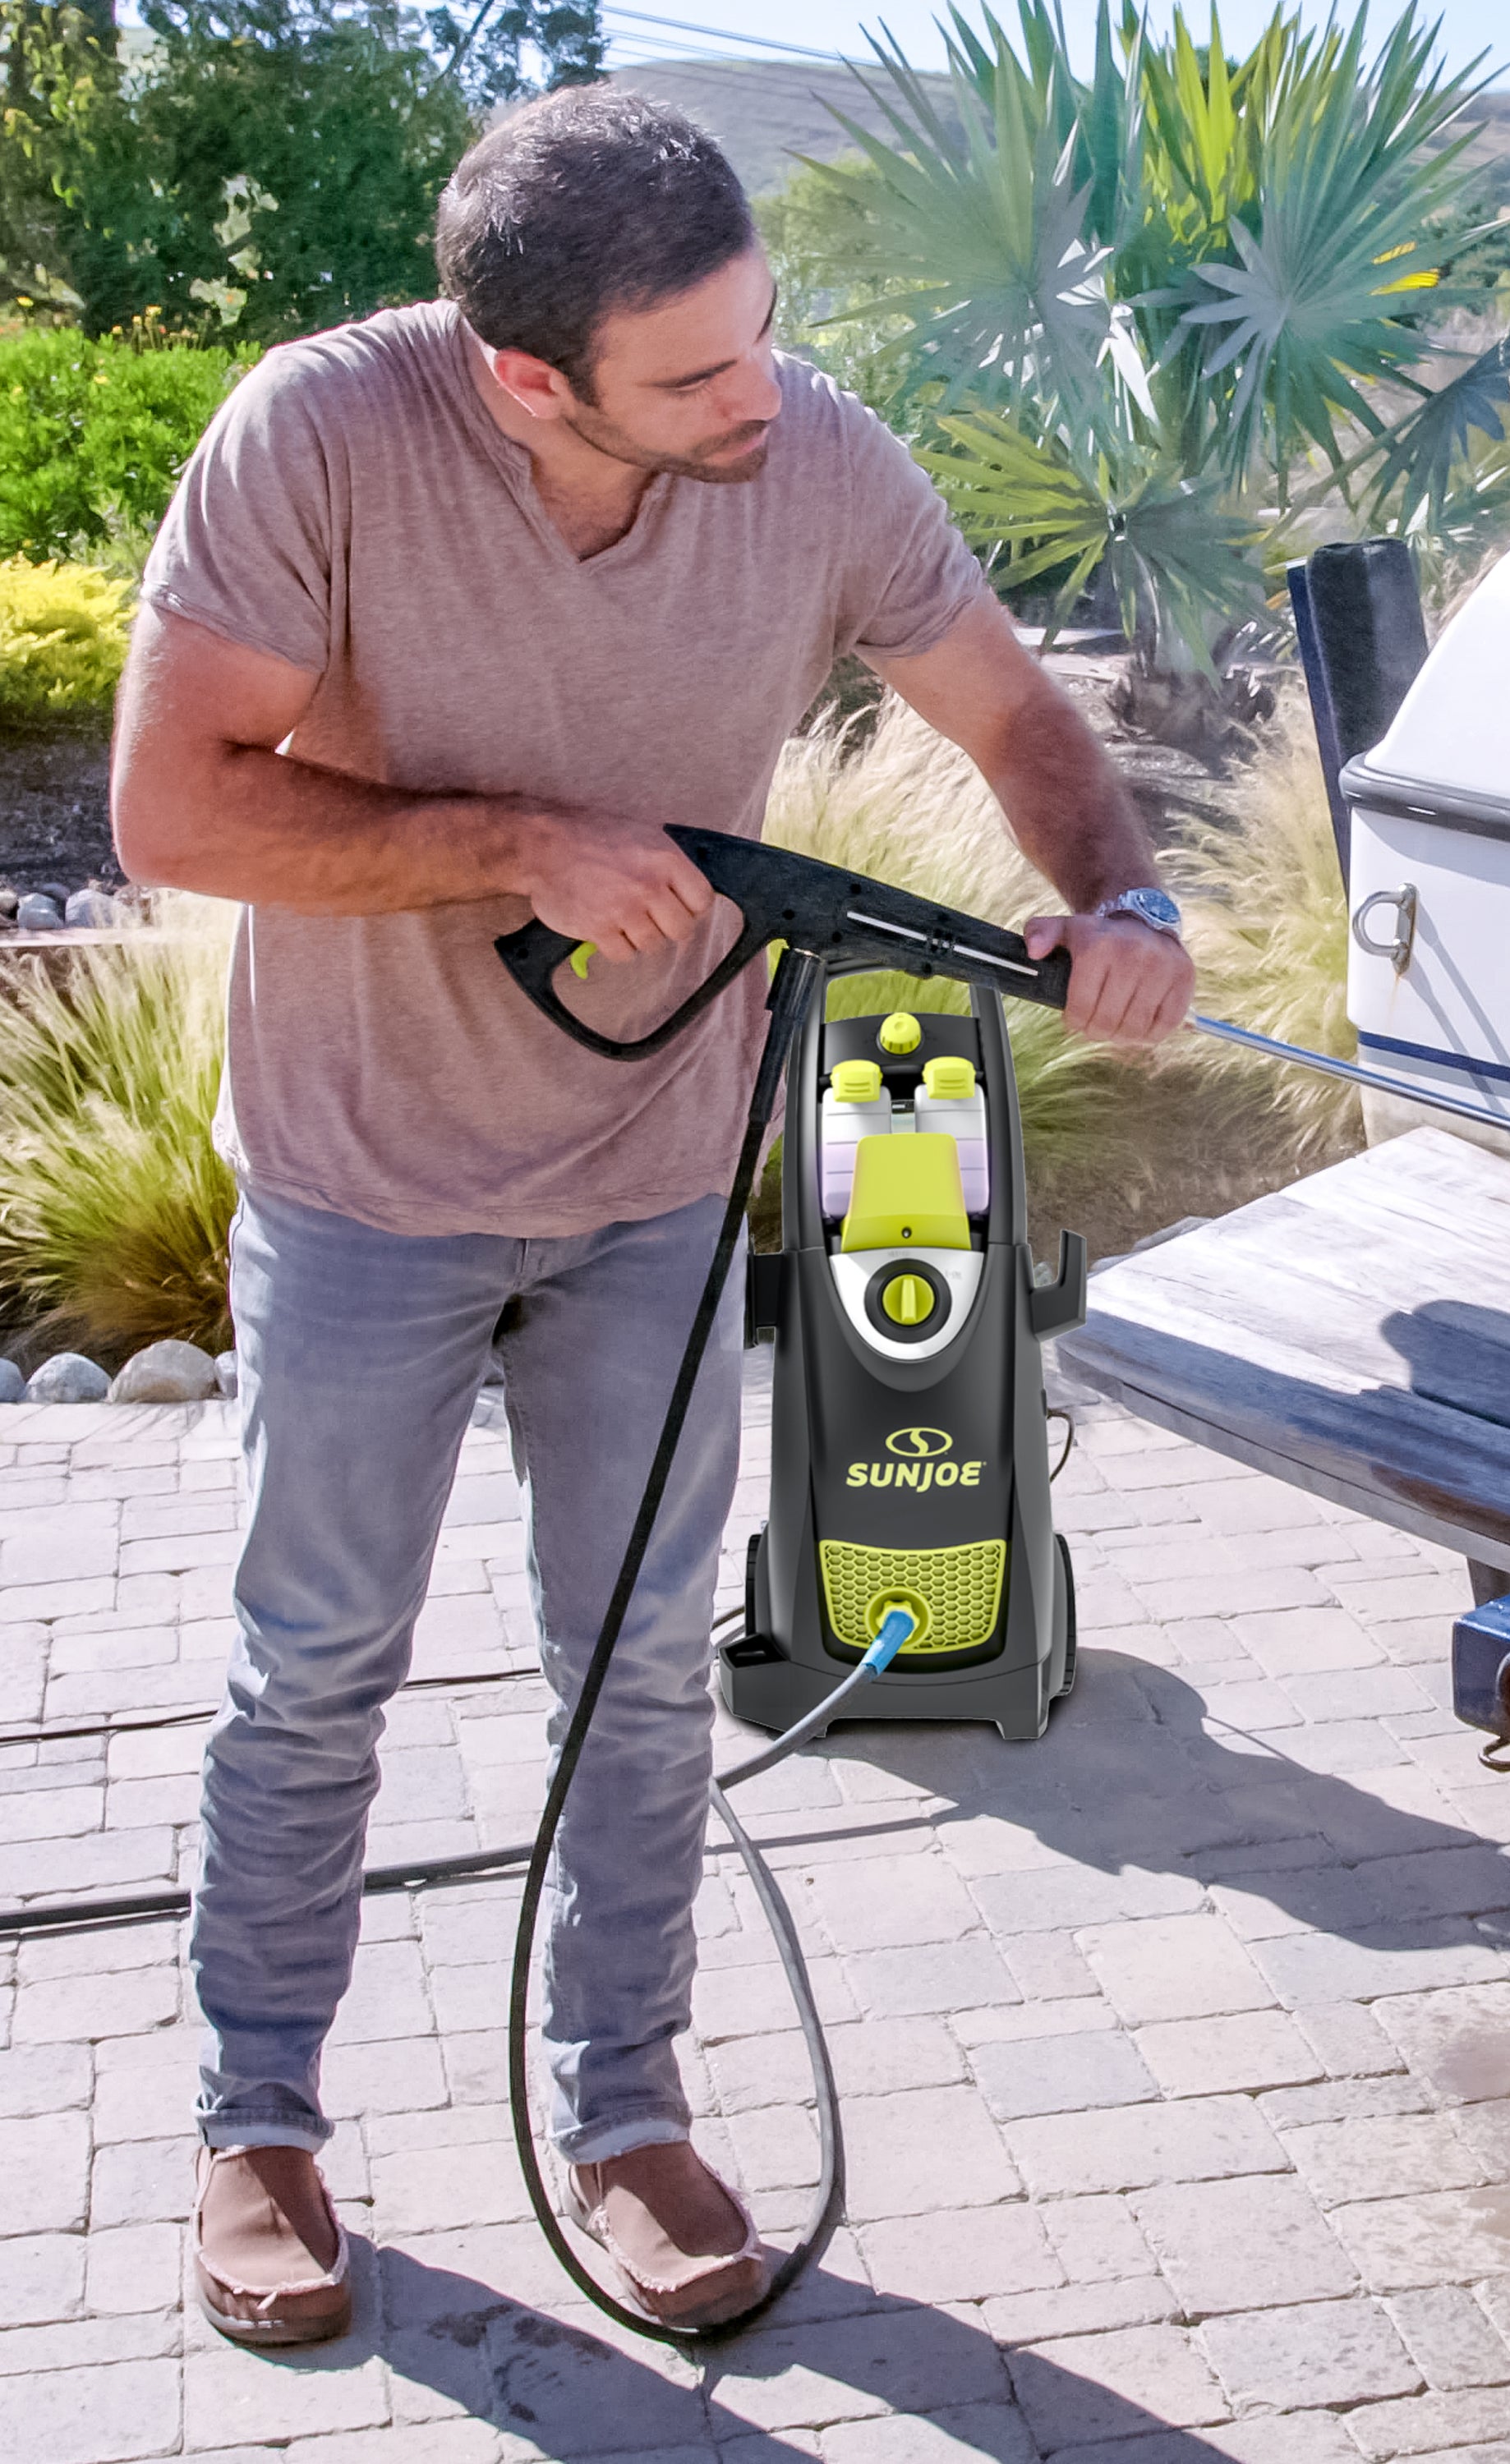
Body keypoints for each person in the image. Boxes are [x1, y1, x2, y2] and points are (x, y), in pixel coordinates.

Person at [112, 85, 1195, 2347]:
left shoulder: (805, 452)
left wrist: (1123, 891)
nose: (759, 399)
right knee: (316, 1670)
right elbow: (171, 810)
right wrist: (510, 843)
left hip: (652, 1185)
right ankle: (259, 2125)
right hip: (366, 1172)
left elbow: (1013, 719)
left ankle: (625, 2116)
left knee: (631, 1679)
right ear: (526, 375)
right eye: (694, 374)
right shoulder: (321, 440)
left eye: (764, 338)